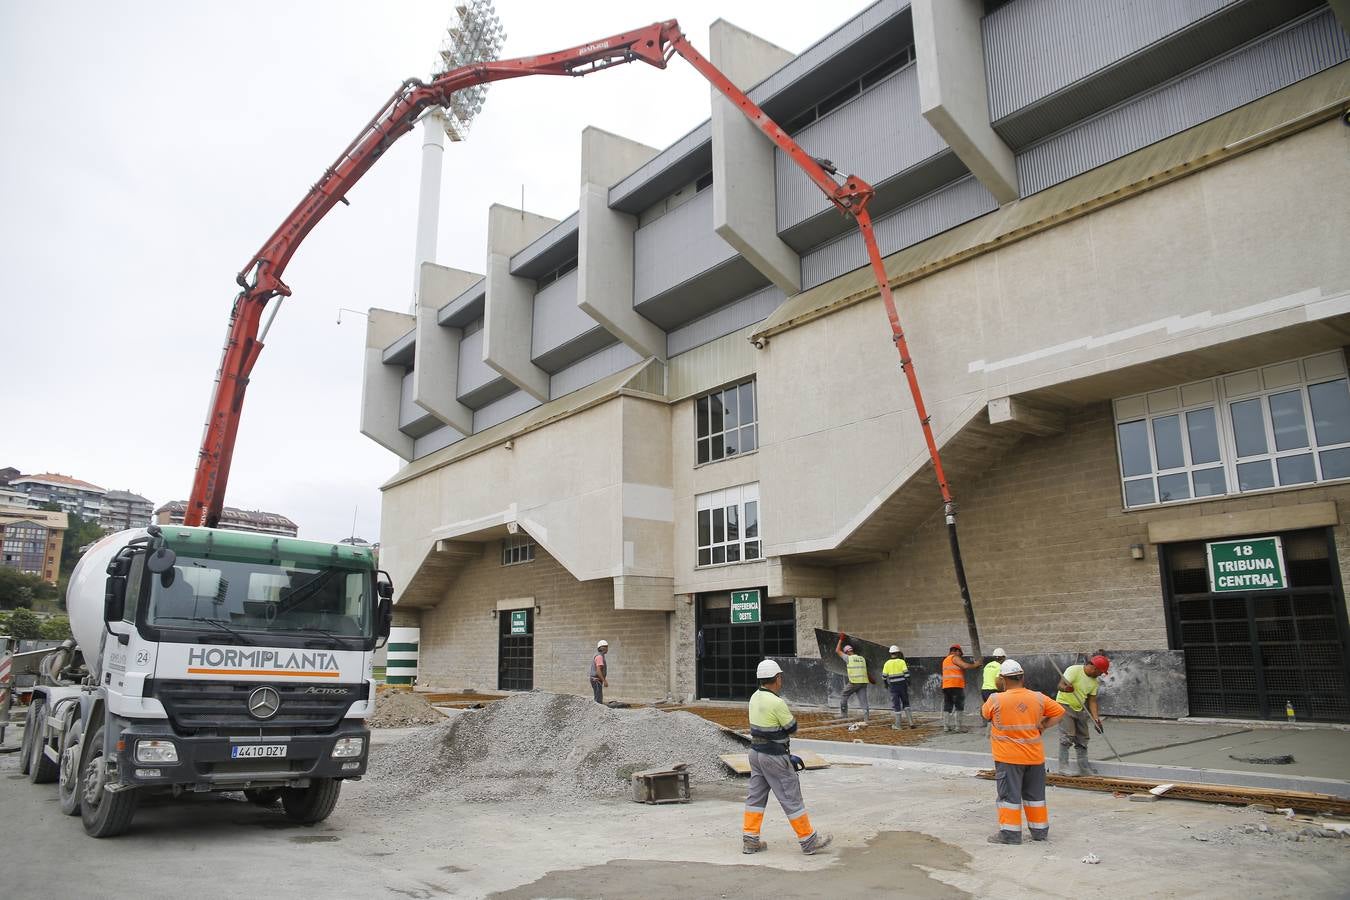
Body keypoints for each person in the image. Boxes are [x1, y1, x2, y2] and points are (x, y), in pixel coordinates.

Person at [743, 659, 833, 856]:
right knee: (791, 797)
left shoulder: (754, 697)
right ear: (776, 678)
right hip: (774, 756)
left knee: (755, 797)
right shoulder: (777, 702)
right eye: (780, 677)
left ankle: (750, 840)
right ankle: (808, 840)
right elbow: (792, 727)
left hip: (755, 754)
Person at [981, 659, 1065, 845]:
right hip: (1034, 758)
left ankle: (1010, 835)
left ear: (1002, 679)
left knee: (1009, 797)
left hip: (1008, 759)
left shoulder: (995, 699)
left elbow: (985, 714)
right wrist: (1043, 725)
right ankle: (1039, 832)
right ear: (1022, 677)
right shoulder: (1038, 697)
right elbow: (1059, 711)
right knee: (1035, 797)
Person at [1055, 654, 1109, 776]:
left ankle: (1084, 767)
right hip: (1064, 705)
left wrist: (1096, 720)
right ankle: (1063, 767)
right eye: (1101, 672)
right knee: (1068, 736)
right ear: (1095, 668)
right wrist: (1066, 689)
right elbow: (1060, 685)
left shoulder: (1094, 682)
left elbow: (1092, 701)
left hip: (1079, 708)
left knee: (1083, 738)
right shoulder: (1073, 670)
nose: (1101, 675)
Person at [941, 643, 983, 732]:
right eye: (960, 653)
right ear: (956, 651)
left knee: (947, 705)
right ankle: (958, 727)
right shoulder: (954, 657)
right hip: (956, 685)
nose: (960, 655)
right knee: (959, 705)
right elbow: (965, 666)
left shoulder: (945, 660)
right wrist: (976, 665)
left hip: (946, 686)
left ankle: (946, 726)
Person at [834, 633, 871, 721]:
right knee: (864, 701)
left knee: (844, 695)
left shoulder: (848, 658)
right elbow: (863, 669)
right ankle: (866, 720)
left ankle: (843, 714)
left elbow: (837, 650)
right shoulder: (862, 658)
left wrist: (841, 639)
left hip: (854, 682)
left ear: (847, 652)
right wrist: (870, 678)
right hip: (863, 682)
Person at [882, 646, 915, 729]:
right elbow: (906, 674)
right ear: (897, 653)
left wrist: (886, 684)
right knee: (906, 703)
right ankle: (911, 723)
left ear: (890, 653)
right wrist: (909, 683)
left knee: (896, 705)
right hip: (903, 685)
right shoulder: (901, 662)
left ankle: (898, 725)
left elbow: (884, 677)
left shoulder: (887, 663)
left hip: (893, 687)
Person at [981, 648, 1007, 730]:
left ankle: (989, 731)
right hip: (993, 691)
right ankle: (992, 732)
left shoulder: (987, 666)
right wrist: (1002, 691)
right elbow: (997, 681)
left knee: (990, 711)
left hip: (984, 690)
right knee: (996, 712)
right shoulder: (1000, 666)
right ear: (1002, 657)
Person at [588, 640, 609, 704]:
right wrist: (604, 680)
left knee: (598, 697)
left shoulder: (599, 655)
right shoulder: (599, 657)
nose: (607, 649)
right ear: (603, 648)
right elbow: (598, 671)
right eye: (607, 647)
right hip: (596, 680)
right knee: (598, 699)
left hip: (596, 680)